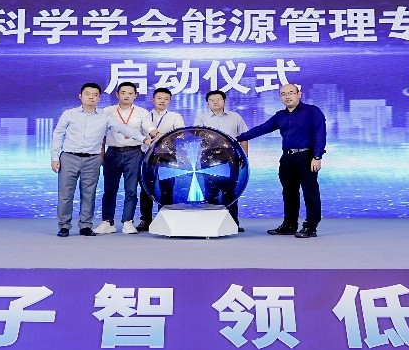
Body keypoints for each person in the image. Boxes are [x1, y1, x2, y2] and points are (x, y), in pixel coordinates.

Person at [51, 83, 157, 237]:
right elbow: (58, 135)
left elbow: (123, 129)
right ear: (80, 96)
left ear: (99, 98)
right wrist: (55, 157)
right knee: (66, 194)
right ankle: (64, 226)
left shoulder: (105, 116)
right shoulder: (69, 114)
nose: (91, 97)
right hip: (69, 157)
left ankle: (85, 225)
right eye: (88, 94)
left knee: (89, 193)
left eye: (95, 95)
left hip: (92, 159)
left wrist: (144, 139)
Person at [236, 83, 326, 238]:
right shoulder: (280, 115)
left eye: (291, 93)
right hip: (287, 158)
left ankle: (311, 226)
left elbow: (320, 134)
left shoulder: (312, 111)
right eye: (283, 94)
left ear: (299, 94)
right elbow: (262, 129)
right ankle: (289, 224)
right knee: (289, 192)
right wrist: (238, 138)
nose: (287, 96)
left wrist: (317, 157)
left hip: (307, 157)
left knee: (310, 192)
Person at [98, 82, 158, 235]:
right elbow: (101, 134)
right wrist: (101, 153)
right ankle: (107, 222)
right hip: (112, 153)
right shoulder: (107, 111)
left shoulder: (142, 112)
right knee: (109, 189)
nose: (126, 96)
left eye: (130, 93)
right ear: (117, 94)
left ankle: (128, 221)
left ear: (135, 95)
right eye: (123, 92)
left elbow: (149, 128)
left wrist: (157, 134)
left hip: (134, 153)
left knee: (131, 189)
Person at [193, 90, 249, 230]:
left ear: (224, 101)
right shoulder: (201, 118)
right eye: (212, 100)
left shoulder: (235, 117)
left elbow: (244, 137)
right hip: (209, 157)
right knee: (210, 191)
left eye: (218, 99)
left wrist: (244, 156)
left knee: (230, 191)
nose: (215, 102)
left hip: (230, 156)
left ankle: (232, 224)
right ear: (208, 103)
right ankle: (210, 224)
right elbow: (197, 137)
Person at [137, 87, 186, 231]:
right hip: (146, 156)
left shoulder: (175, 116)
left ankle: (165, 218)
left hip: (167, 156)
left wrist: (162, 136)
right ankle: (145, 220)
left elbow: (181, 134)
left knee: (167, 187)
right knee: (146, 188)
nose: (162, 101)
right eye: (159, 98)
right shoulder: (144, 116)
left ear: (170, 101)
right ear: (153, 99)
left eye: (166, 99)